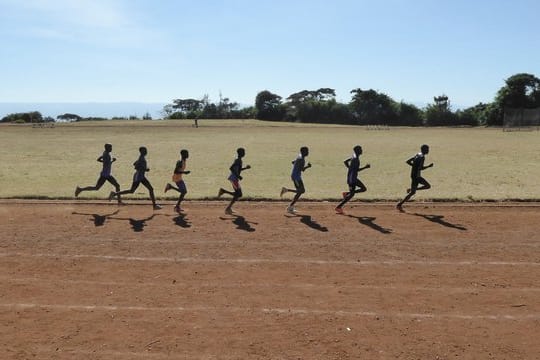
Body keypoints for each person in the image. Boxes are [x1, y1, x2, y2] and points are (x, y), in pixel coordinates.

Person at [396, 144, 434, 211]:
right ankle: (400, 204)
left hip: (413, 175)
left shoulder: (418, 154)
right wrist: (428, 166)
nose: (428, 151)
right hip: (417, 176)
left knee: (413, 192)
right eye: (427, 149)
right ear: (423, 150)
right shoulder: (422, 157)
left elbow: (408, 161)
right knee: (427, 186)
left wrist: (414, 166)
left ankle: (400, 204)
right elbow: (421, 168)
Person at [335, 145, 370, 214]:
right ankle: (338, 207)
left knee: (363, 189)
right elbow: (357, 170)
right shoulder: (356, 159)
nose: (361, 150)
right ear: (357, 151)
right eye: (360, 149)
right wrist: (365, 167)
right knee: (352, 195)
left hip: (353, 177)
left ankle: (346, 193)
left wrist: (350, 169)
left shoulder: (353, 156)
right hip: (352, 179)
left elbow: (345, 161)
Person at [217, 148, 251, 215]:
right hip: (234, 178)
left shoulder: (239, 160)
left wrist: (245, 168)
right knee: (239, 194)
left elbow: (238, 169)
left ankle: (228, 206)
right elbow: (231, 168)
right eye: (243, 152)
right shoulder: (238, 160)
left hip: (234, 178)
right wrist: (238, 176)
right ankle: (227, 207)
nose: (244, 153)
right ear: (240, 153)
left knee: (238, 194)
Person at [280, 146, 312, 214]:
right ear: (303, 152)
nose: (308, 152)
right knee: (301, 191)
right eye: (307, 151)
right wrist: (308, 166)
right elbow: (302, 169)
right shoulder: (301, 159)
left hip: (296, 176)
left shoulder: (299, 156)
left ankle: (290, 207)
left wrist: (296, 165)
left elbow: (292, 162)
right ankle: (286, 190)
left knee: (300, 192)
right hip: (296, 177)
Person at [164, 149, 190, 213]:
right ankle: (170, 187)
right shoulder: (180, 162)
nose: (188, 155)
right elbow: (175, 171)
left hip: (179, 177)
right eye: (186, 153)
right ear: (182, 154)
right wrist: (184, 172)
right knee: (184, 191)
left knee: (184, 192)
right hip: (177, 177)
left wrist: (183, 172)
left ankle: (177, 206)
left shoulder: (183, 161)